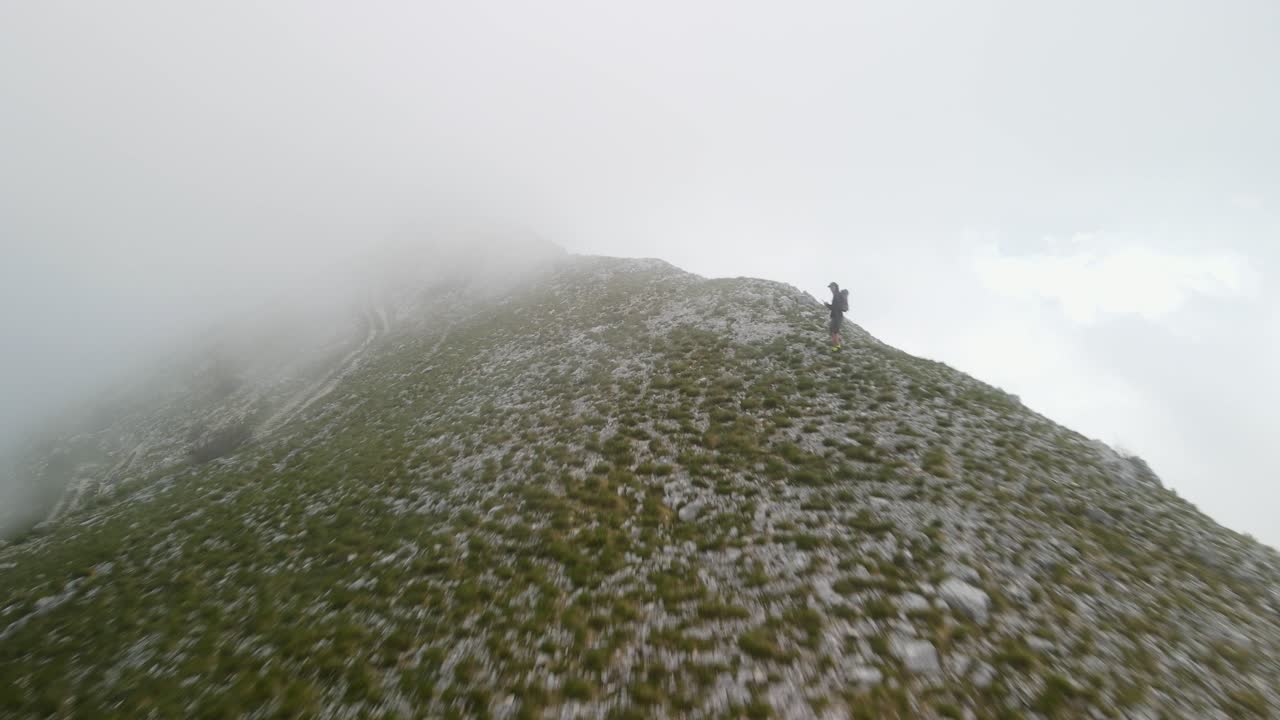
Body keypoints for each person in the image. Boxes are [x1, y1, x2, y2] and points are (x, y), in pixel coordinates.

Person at [824, 282, 847, 351]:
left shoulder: (837, 295)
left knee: (834, 331)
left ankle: (837, 347)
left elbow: (837, 307)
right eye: (830, 287)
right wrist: (827, 305)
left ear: (836, 287)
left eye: (832, 287)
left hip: (838, 316)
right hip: (834, 315)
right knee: (832, 331)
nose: (831, 289)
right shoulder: (835, 295)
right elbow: (834, 307)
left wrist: (829, 305)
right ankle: (837, 344)